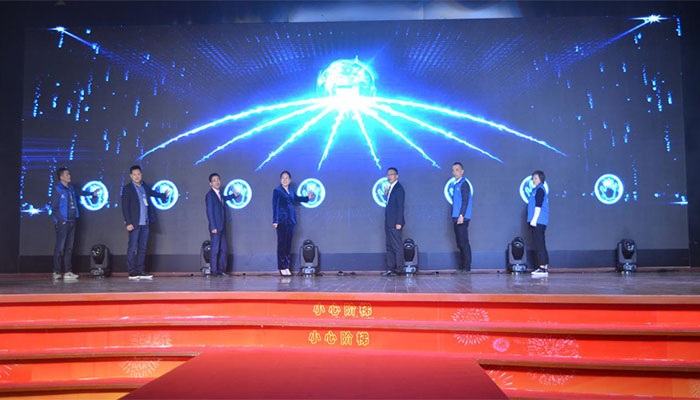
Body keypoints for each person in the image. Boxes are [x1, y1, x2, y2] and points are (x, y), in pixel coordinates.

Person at [50, 167, 100, 280]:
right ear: (61, 177)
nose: (69, 176)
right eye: (67, 174)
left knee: (69, 248)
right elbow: (54, 207)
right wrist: (62, 220)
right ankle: (56, 272)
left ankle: (68, 271)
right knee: (60, 248)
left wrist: (92, 193)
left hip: (72, 220)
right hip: (63, 222)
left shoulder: (71, 187)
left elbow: (80, 193)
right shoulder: (57, 189)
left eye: (69, 174)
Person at [121, 165, 169, 280]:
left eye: (138, 174)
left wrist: (163, 195)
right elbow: (125, 207)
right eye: (134, 175)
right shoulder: (127, 188)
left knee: (142, 248)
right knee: (132, 248)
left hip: (145, 223)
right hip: (134, 223)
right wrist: (128, 222)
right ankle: (132, 272)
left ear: (141, 175)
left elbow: (152, 193)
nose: (137, 176)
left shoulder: (144, 186)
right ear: (131, 176)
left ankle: (140, 271)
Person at [272, 171, 314, 276]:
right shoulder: (277, 191)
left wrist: (307, 198)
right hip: (281, 221)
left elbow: (296, 198)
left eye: (287, 178)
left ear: (290, 180)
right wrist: (275, 220)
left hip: (291, 221)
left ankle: (286, 266)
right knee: (282, 245)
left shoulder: (290, 190)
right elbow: (275, 205)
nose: (285, 180)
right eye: (283, 178)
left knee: (288, 244)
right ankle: (282, 267)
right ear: (280, 180)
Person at [205, 173, 240, 276]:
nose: (217, 182)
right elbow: (209, 212)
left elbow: (225, 198)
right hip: (215, 227)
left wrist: (233, 195)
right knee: (215, 250)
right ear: (210, 183)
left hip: (223, 227)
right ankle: (214, 271)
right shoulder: (210, 195)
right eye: (214, 180)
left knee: (224, 249)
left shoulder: (220, 194)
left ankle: (222, 270)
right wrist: (213, 226)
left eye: (218, 180)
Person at [381, 167, 405, 276]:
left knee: (397, 246)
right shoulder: (390, 188)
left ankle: (399, 269)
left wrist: (399, 222)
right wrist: (386, 195)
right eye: (388, 175)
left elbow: (400, 206)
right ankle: (390, 268)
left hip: (395, 223)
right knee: (389, 246)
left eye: (391, 174)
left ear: (397, 176)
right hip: (389, 222)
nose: (389, 176)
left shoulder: (399, 188)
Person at [450, 162, 472, 272]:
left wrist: (461, 215)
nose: (455, 172)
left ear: (462, 171)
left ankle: (467, 267)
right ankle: (462, 266)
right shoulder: (456, 184)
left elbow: (465, 201)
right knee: (459, 243)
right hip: (456, 217)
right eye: (453, 170)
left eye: (457, 170)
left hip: (462, 218)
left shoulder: (464, 184)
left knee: (464, 242)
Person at [527, 170, 549, 277]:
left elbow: (538, 205)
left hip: (539, 221)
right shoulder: (535, 190)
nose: (533, 180)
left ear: (541, 179)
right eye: (533, 178)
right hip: (538, 221)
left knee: (540, 244)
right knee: (540, 243)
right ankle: (544, 266)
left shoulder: (540, 190)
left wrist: (534, 219)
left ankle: (542, 267)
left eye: (535, 178)